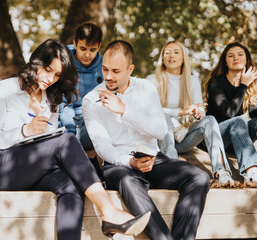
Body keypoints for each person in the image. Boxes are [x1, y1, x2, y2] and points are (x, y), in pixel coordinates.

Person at [0, 39, 150, 240]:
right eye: (47, 69)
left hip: (31, 166)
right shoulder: (5, 88)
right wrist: (25, 130)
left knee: (71, 184)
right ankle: (109, 212)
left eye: (57, 75)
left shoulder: (50, 99)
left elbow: (46, 142)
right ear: (36, 61)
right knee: (67, 141)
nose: (50, 78)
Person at [83, 40, 210, 240]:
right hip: (119, 165)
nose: (108, 76)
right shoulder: (91, 100)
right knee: (128, 180)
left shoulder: (146, 88)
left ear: (130, 69)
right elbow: (101, 146)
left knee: (199, 177)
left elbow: (160, 130)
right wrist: (129, 162)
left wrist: (125, 110)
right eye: (105, 69)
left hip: (154, 160)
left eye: (116, 71)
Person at [147, 40, 234, 186]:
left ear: (183, 58)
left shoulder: (192, 81)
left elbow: (200, 108)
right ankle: (174, 169)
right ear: (162, 58)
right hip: (160, 137)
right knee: (163, 116)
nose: (171, 55)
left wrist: (197, 113)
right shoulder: (151, 80)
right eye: (167, 52)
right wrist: (180, 112)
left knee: (210, 120)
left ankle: (222, 173)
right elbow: (149, 110)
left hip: (182, 138)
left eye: (176, 52)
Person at [205, 42, 257, 187]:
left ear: (247, 59)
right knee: (238, 121)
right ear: (225, 61)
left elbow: (253, 113)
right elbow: (229, 114)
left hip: (239, 137)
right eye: (231, 55)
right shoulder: (215, 83)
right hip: (218, 136)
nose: (236, 58)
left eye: (240, 55)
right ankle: (251, 173)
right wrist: (243, 86)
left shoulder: (253, 83)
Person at [59, 22, 103, 150]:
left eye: (93, 50)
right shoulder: (63, 62)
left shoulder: (104, 67)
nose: (87, 55)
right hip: (66, 120)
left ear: (99, 46)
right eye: (83, 49)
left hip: (92, 121)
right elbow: (64, 104)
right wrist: (69, 132)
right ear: (75, 43)